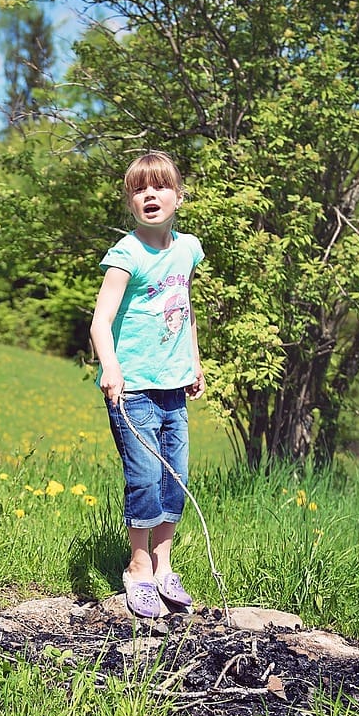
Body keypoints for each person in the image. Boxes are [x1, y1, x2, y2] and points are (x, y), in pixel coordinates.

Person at [89, 151, 205, 618]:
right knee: (145, 478)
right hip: (132, 388)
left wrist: (195, 363)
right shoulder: (126, 255)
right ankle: (137, 569)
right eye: (140, 189)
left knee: (176, 478)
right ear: (130, 202)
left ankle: (163, 567)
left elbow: (186, 308)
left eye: (159, 187)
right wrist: (111, 369)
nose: (150, 195)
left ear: (178, 197)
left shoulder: (188, 248)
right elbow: (101, 322)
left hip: (173, 387)